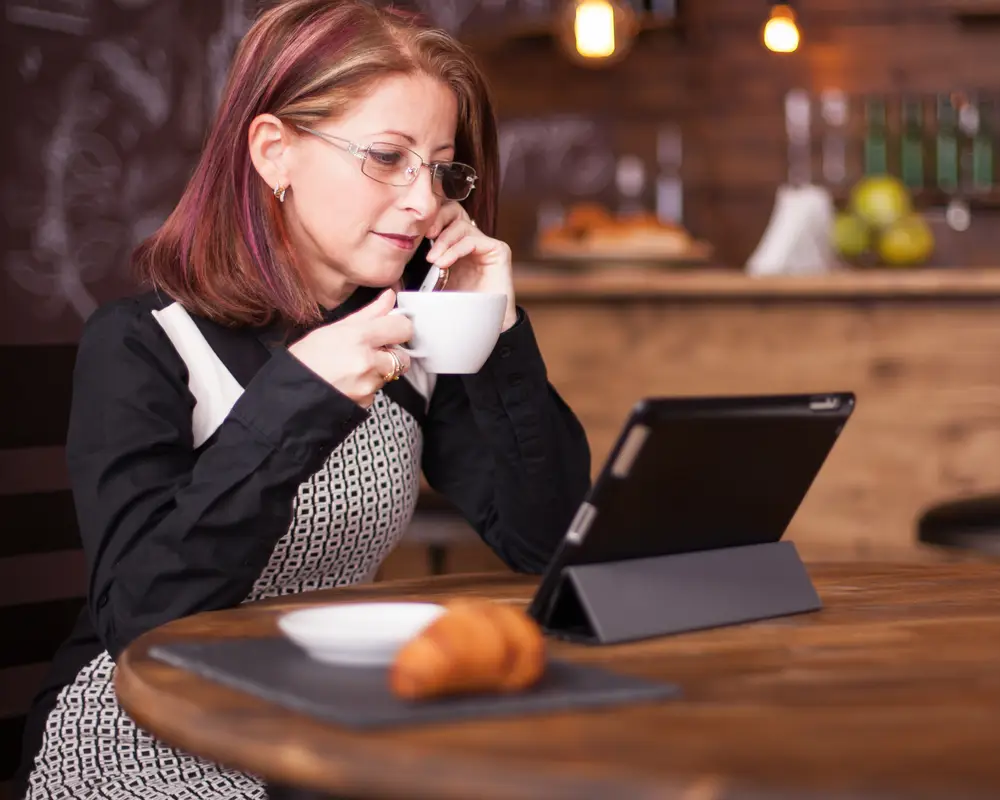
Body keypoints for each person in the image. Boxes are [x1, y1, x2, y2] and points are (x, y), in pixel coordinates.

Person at [16, 1, 592, 797]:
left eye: (440, 167)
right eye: (387, 157)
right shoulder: (145, 344)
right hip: (148, 726)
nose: (424, 203)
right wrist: (299, 398)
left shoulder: (406, 339)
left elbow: (549, 542)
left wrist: (492, 326)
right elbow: (142, 619)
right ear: (274, 150)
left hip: (324, 721)